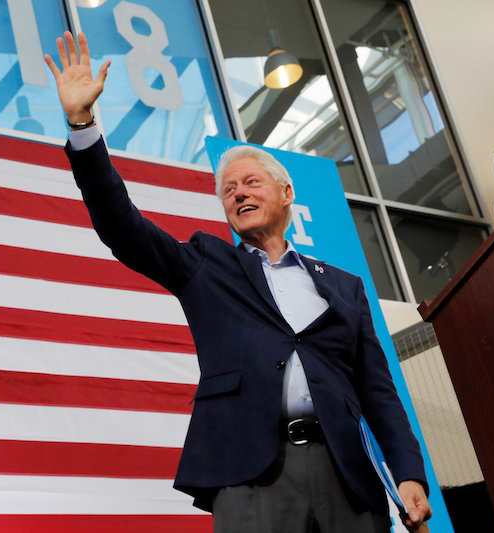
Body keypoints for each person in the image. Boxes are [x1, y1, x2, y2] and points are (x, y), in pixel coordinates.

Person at [44, 31, 432, 532]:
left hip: (346, 475)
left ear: (287, 192)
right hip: (251, 475)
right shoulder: (207, 264)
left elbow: (378, 393)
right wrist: (82, 125)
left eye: (251, 182)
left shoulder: (344, 286)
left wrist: (409, 475)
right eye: (229, 190)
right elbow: (122, 226)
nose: (238, 194)